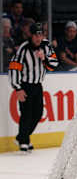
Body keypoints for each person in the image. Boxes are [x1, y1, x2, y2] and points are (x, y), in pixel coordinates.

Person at [8, 23, 58, 153]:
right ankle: (24, 141)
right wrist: (17, 88)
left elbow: (53, 65)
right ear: (31, 35)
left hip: (37, 85)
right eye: (36, 35)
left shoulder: (46, 45)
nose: (38, 38)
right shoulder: (23, 49)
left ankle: (21, 137)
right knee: (26, 114)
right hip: (25, 85)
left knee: (38, 114)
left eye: (40, 34)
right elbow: (14, 67)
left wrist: (44, 58)